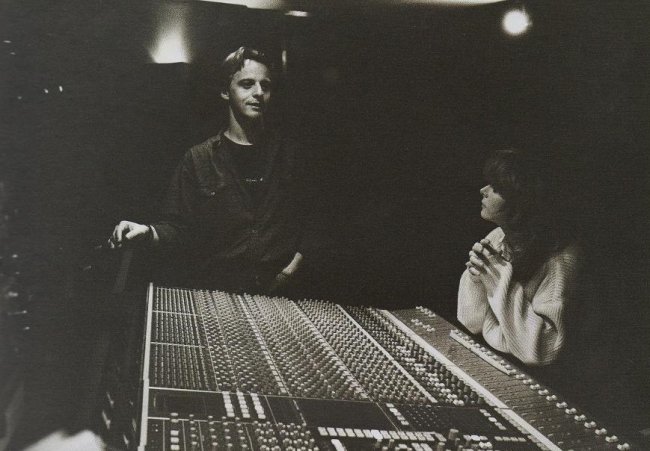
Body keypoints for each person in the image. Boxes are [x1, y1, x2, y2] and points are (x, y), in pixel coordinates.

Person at [108, 47, 307, 294]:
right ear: (225, 91)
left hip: (281, 292)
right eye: (247, 84)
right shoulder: (199, 158)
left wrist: (289, 272)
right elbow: (179, 228)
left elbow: (315, 226)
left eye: (265, 86)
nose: (258, 93)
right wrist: (147, 232)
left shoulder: (290, 154)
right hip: (218, 290)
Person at [457, 148, 580, 366]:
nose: (483, 190)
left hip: (547, 379)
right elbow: (471, 322)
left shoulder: (559, 259)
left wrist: (498, 280)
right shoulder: (497, 238)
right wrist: (476, 280)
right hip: (501, 360)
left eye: (496, 188)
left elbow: (543, 350)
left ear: (519, 202)